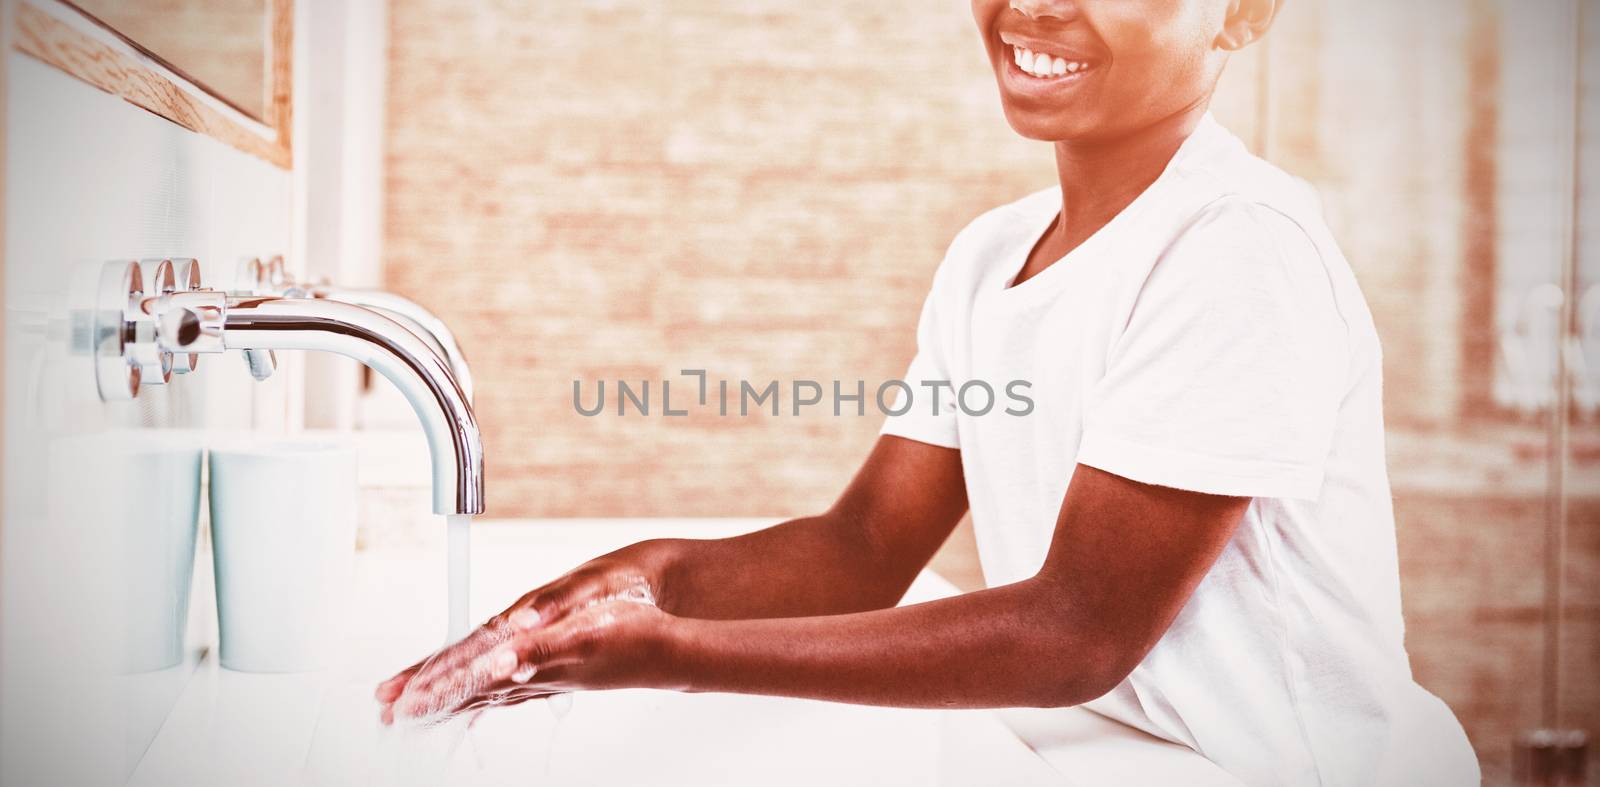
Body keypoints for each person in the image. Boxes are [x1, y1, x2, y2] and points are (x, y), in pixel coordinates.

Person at [377, 1, 1480, 783]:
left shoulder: (1237, 249)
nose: (1035, 7)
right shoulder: (992, 256)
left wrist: (669, 653)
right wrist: (642, 579)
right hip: (1105, 753)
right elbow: (861, 546)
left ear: (1243, 11)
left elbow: (1075, 634)